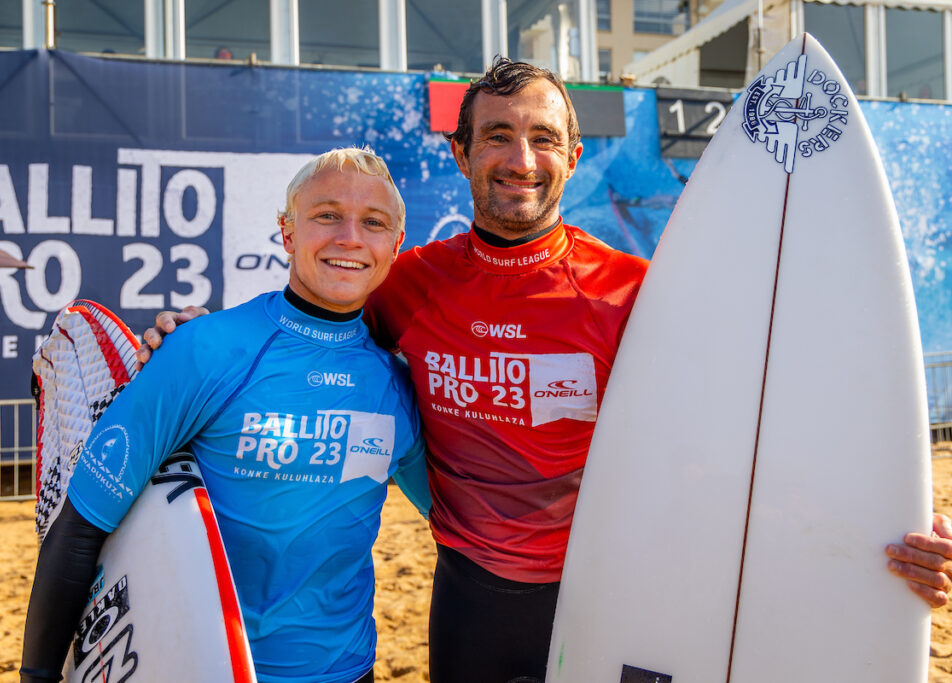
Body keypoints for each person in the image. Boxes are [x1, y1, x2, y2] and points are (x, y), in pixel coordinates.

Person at [138, 58, 952, 682]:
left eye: (542, 138)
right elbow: (300, 323)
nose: (519, 158)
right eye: (496, 135)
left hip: (612, 586)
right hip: (468, 594)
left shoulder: (636, 296)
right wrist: (185, 336)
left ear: (570, 156)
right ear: (461, 152)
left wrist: (889, 520)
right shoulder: (409, 284)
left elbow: (765, 422)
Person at [20, 147, 431, 683]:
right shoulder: (203, 350)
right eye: (327, 215)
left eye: (372, 223)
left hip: (350, 671)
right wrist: (37, 675)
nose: (349, 236)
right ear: (287, 233)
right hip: (205, 669)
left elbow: (458, 525)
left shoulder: (396, 386)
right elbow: (80, 527)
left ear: (395, 246)